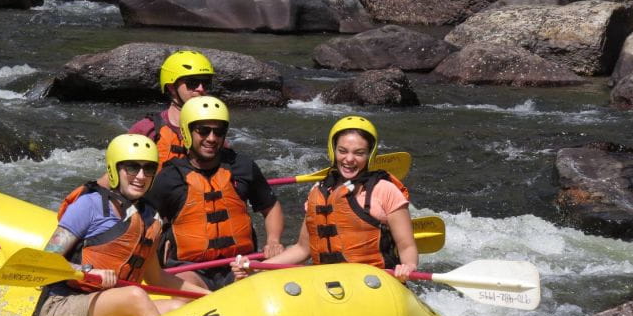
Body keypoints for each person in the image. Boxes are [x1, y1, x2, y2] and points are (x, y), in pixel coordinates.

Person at [33, 134, 207, 316]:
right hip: (60, 308)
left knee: (176, 307)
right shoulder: (89, 205)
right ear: (115, 170)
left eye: (148, 168)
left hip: (109, 305)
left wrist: (208, 297)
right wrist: (87, 271)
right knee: (135, 296)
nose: (141, 176)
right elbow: (44, 263)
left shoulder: (150, 217)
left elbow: (156, 278)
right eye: (132, 167)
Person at [233, 116, 418, 281]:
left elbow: (406, 245)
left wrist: (408, 266)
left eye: (359, 153)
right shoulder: (318, 192)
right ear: (333, 150)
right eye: (343, 151)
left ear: (370, 154)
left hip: (373, 282)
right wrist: (258, 269)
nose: (349, 159)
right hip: (327, 283)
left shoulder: (385, 190)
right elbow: (302, 249)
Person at [146, 96, 285, 290]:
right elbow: (141, 222)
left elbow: (270, 207)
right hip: (190, 269)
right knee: (187, 287)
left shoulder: (242, 166)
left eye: (218, 132)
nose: (211, 138)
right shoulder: (169, 178)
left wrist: (273, 241)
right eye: (203, 131)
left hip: (239, 264)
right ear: (187, 131)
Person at [127, 50, 215, 167]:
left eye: (206, 83)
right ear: (171, 87)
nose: (201, 88)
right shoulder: (146, 129)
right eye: (192, 82)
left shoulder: (214, 131)